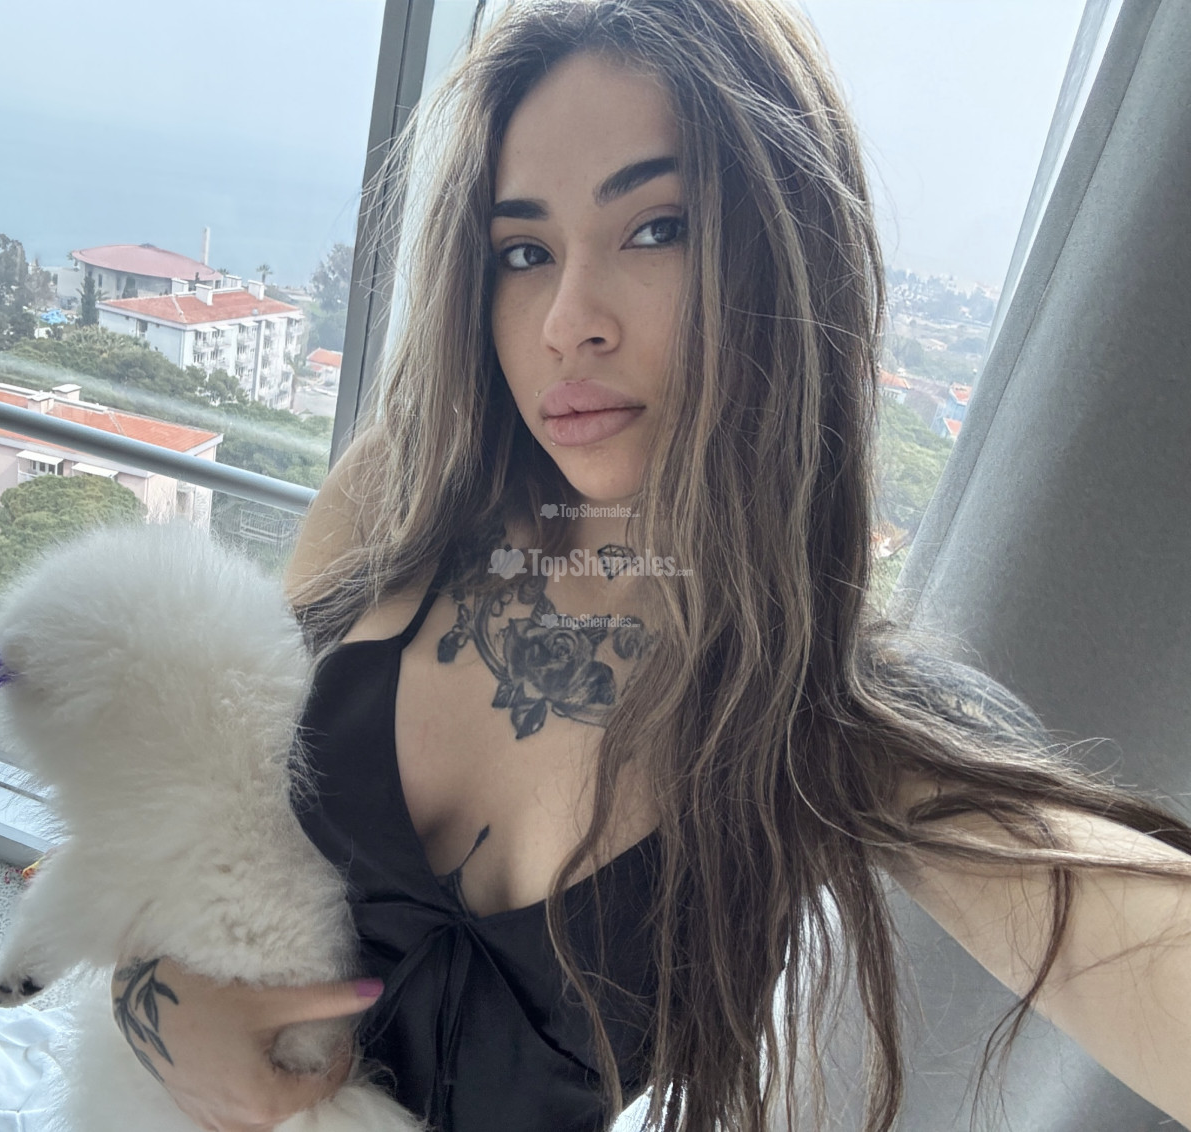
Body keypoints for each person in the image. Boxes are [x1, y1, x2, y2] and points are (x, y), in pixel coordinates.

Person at [112, 1, 1191, 1129]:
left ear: (783, 255)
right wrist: (154, 1000)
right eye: (524, 251)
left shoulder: (824, 723)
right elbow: (206, 806)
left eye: (656, 228)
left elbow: (1116, 931)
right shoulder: (403, 490)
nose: (566, 321)